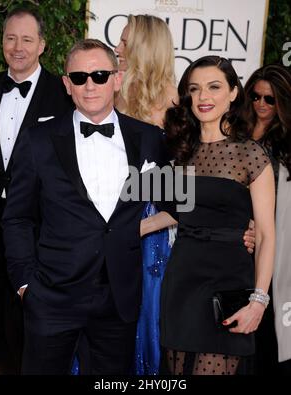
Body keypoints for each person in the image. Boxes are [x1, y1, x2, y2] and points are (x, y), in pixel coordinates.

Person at [2, 38, 175, 375]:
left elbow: (176, 203)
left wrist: (240, 221)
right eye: (79, 77)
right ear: (67, 85)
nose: (90, 85)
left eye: (99, 74)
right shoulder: (38, 140)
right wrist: (25, 283)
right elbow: (17, 217)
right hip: (52, 297)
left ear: (117, 79)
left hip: (118, 300)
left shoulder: (148, 138)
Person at [141, 56, 275, 375]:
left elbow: (268, 234)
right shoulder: (183, 151)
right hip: (183, 280)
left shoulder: (251, 154)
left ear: (232, 93)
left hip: (230, 280)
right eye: (195, 89)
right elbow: (179, 214)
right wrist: (122, 230)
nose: (204, 97)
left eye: (214, 87)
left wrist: (259, 300)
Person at [0, 7, 73, 373]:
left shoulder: (64, 95)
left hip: (38, 230)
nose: (17, 47)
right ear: (0, 43)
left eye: (26, 39)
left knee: (27, 323)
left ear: (42, 44)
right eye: (10, 38)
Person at [115, 13, 177, 375]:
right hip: (107, 226)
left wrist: (132, 230)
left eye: (124, 42)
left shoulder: (174, 107)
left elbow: (179, 198)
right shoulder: (111, 93)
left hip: (148, 234)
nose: (117, 48)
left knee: (143, 322)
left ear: (143, 49)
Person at [244, 64, 291, 375]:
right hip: (233, 242)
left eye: (269, 100)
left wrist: (260, 228)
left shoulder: (284, 146)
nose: (261, 104)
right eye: (256, 97)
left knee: (266, 335)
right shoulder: (232, 131)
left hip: (269, 245)